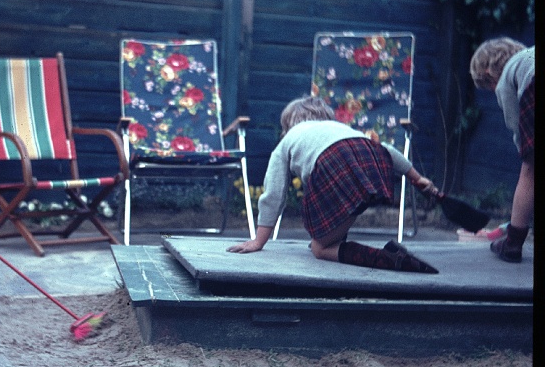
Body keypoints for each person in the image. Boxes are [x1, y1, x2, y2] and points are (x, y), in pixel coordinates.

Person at [226, 95, 439, 273]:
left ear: (288, 124)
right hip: (372, 160)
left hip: (334, 164)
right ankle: (343, 241)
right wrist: (417, 178)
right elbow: (388, 151)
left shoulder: (288, 140)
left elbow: (274, 193)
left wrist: (259, 241)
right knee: (337, 212)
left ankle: (387, 258)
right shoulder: (339, 128)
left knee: (319, 249)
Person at [469, 37, 534, 263]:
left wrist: (525, 151)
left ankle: (513, 243)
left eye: (489, 87)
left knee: (530, 169)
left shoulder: (507, 75)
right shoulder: (528, 56)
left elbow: (516, 124)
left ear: (488, 73)